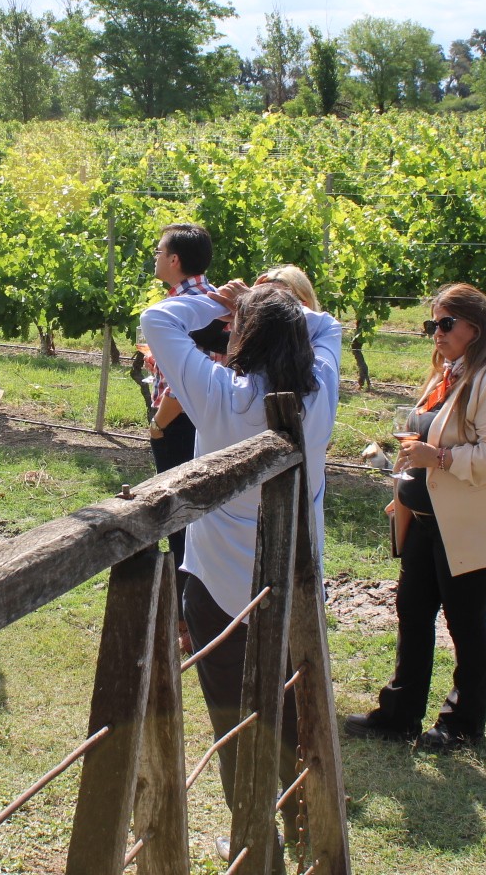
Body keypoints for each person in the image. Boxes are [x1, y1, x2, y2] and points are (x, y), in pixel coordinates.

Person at [140, 280, 342, 839]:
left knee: (231, 721)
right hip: (299, 585)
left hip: (216, 594)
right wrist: (272, 306)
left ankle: (252, 833)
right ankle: (303, 823)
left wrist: (220, 301)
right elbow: (330, 327)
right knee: (296, 716)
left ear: (242, 337)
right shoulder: (318, 392)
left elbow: (157, 320)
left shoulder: (219, 395)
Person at [345, 283, 486, 750]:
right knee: (413, 611)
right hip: (428, 519)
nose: (436, 333)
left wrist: (440, 460)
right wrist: (409, 484)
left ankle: (463, 724)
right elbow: (423, 440)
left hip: (467, 524)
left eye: (445, 324)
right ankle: (400, 713)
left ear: (475, 327)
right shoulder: (448, 374)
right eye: (432, 324)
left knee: (464, 622)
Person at [145, 223, 215, 568]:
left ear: (174, 259)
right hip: (204, 418)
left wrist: (158, 424)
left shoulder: (185, 307)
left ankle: (185, 601)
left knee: (178, 506)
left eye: (158, 252)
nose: (154, 258)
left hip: (180, 422)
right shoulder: (213, 297)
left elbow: (186, 381)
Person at [255, 264, 321, 311]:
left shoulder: (326, 329)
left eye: (281, 301)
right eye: (264, 298)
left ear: (304, 305)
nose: (268, 306)